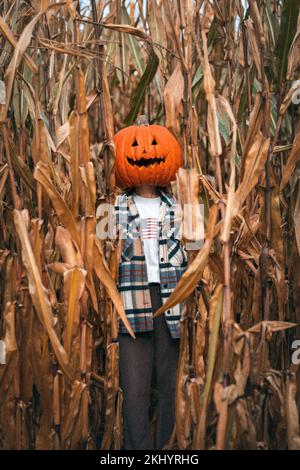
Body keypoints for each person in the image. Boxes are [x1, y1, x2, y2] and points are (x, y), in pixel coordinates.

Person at [113, 118, 188, 450]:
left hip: (171, 298)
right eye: (136, 147)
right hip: (130, 301)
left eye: (154, 145)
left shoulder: (183, 208)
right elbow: (103, 257)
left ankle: (167, 448)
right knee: (135, 385)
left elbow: (200, 255)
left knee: (170, 383)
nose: (144, 152)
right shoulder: (114, 209)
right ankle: (136, 451)